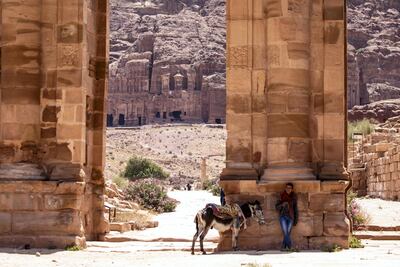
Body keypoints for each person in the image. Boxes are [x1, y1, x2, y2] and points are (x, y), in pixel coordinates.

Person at [275, 183, 298, 250]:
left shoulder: (294, 197)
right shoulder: (281, 196)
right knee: (285, 231)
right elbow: (276, 207)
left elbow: (295, 209)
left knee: (287, 232)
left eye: (290, 188)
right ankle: (290, 247)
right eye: (287, 188)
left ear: (292, 189)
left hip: (291, 217)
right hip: (283, 216)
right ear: (285, 188)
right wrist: (282, 204)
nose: (288, 189)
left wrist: (295, 219)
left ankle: (284, 246)